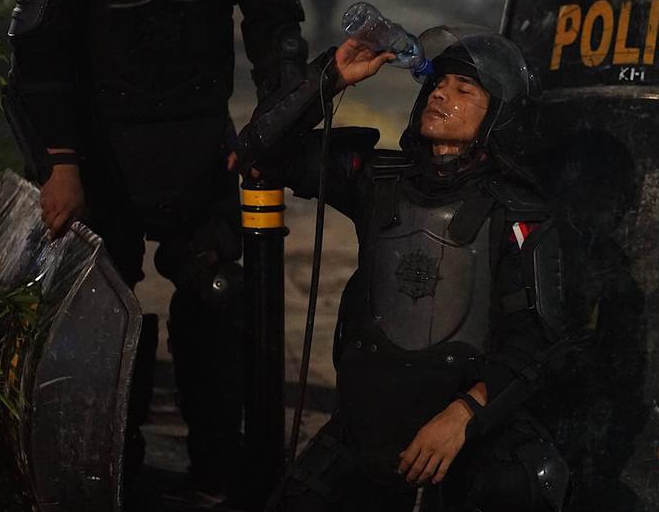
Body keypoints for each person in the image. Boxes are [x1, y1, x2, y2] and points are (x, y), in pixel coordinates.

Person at [3, 0, 307, 500]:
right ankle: (111, 472)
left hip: (200, 146)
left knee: (220, 300)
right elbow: (34, 59)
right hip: (99, 155)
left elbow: (276, 24)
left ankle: (219, 474)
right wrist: (60, 166)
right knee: (100, 322)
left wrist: (275, 124)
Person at [240, 28, 570, 511]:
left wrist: (464, 415)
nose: (441, 93)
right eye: (440, 83)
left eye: (465, 90)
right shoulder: (377, 180)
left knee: (525, 484)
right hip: (362, 433)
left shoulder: (518, 215)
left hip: (460, 442)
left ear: (497, 116)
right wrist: (329, 78)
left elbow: (539, 345)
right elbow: (261, 156)